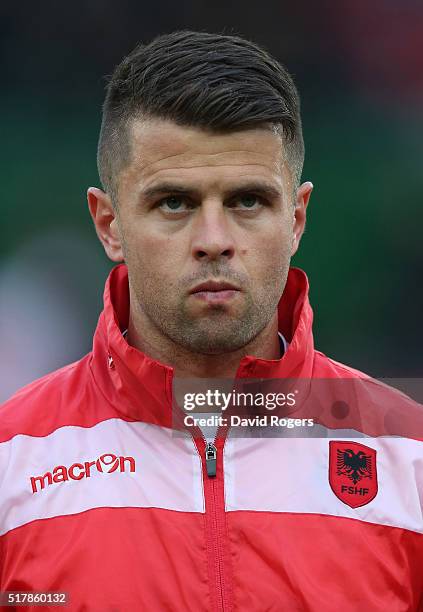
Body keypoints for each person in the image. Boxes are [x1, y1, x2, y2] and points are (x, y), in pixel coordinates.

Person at [0, 30, 422, 612]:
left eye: (248, 201)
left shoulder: (409, 459)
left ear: (297, 219)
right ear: (108, 224)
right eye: (174, 202)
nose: (214, 241)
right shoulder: (11, 463)